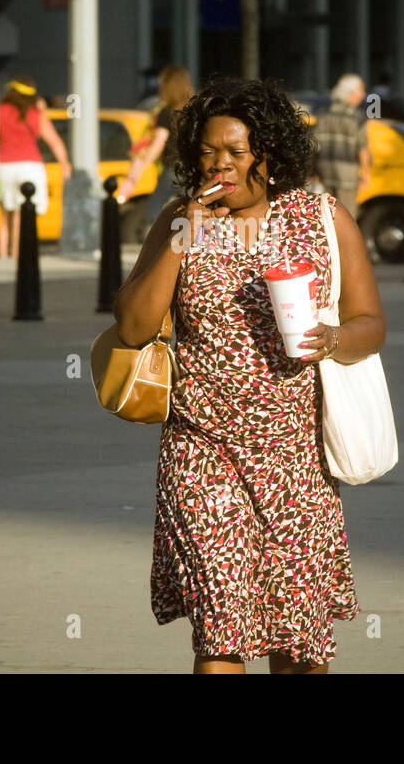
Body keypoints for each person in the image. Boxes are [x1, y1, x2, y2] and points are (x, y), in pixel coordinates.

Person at [113, 76, 384, 674]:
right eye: (209, 152)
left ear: (270, 153)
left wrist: (334, 339)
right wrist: (183, 238)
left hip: (295, 459)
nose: (221, 166)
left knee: (297, 642)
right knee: (222, 629)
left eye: (236, 152)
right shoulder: (176, 220)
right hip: (200, 450)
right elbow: (133, 327)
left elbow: (371, 324)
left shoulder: (319, 217)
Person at [0, 75, 70, 260]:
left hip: (5, 166)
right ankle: (18, 255)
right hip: (30, 166)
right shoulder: (36, 113)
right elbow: (54, 142)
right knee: (23, 215)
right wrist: (64, 165)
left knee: (6, 215)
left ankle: (3, 255)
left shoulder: (2, 110)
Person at [115, 64, 194, 225]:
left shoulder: (166, 113)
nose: (160, 91)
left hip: (174, 170)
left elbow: (158, 144)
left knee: (156, 210)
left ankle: (162, 243)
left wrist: (137, 172)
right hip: (195, 169)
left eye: (162, 86)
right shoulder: (196, 110)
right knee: (195, 209)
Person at [312, 73, 371, 218]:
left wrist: (313, 172)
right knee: (347, 216)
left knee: (325, 217)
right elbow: (362, 147)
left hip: (324, 172)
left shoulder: (323, 113)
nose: (363, 95)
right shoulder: (357, 116)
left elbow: (313, 144)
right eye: (361, 91)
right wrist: (365, 172)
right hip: (348, 176)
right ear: (351, 94)